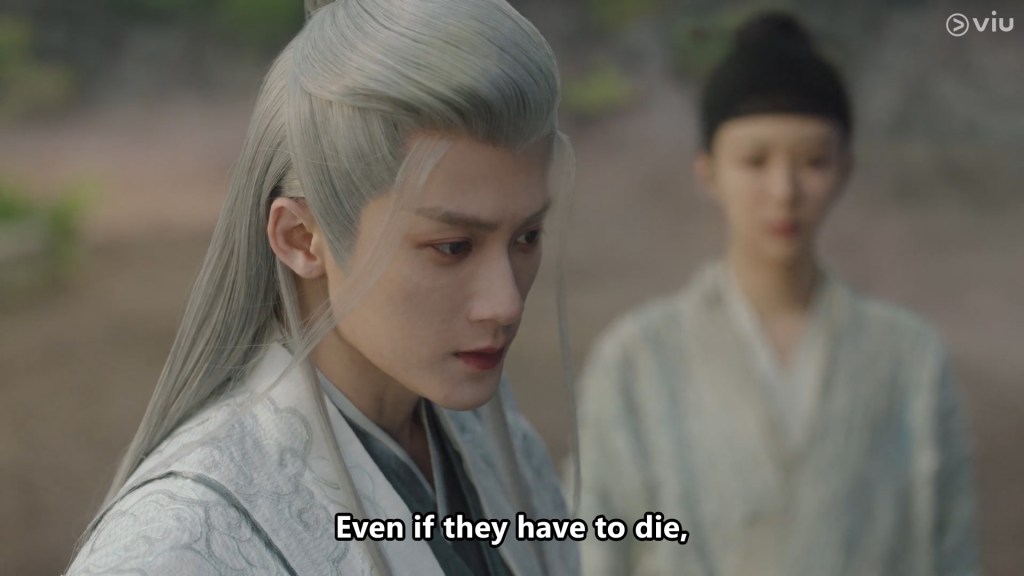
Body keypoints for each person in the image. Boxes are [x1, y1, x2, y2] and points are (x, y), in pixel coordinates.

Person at [65, 0, 578, 574]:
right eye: (453, 247)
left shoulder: (485, 433)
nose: (505, 304)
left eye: (527, 237)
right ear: (302, 239)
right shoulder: (175, 546)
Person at [574, 11, 978, 576]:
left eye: (813, 161)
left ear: (844, 168)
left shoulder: (910, 359)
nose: (784, 190)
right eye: (755, 161)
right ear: (708, 171)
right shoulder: (635, 358)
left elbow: (950, 553)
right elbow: (596, 549)